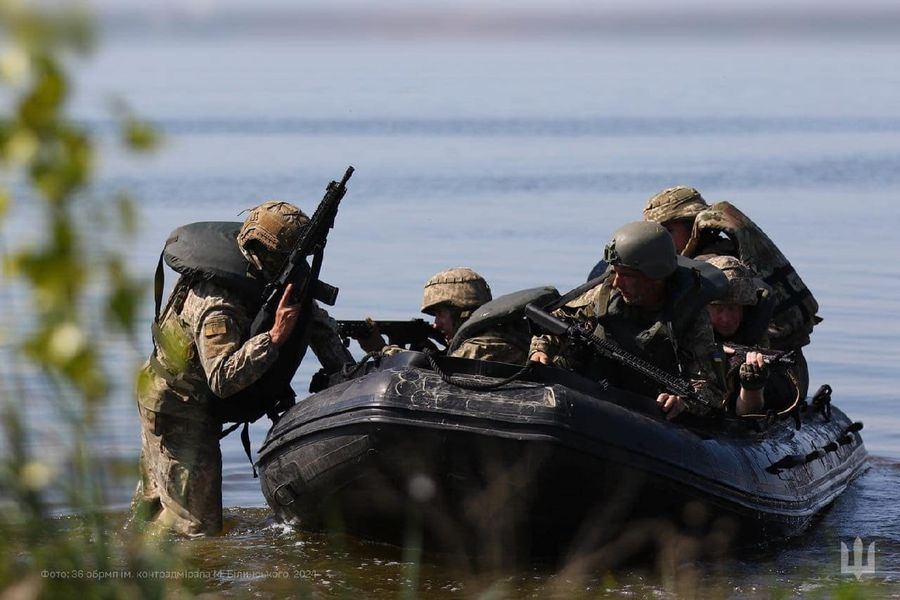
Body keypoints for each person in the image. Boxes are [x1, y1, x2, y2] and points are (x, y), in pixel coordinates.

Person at [131, 201, 352, 537]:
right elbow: (222, 378)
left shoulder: (271, 278)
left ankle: (130, 556)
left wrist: (351, 372)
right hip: (177, 407)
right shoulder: (218, 304)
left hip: (171, 396)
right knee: (196, 530)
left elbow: (316, 325)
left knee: (156, 507)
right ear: (265, 251)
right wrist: (273, 338)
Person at [532, 222, 727, 420]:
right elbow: (556, 322)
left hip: (648, 414)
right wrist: (541, 350)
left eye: (626, 275)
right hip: (591, 397)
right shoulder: (604, 297)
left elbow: (711, 389)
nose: (617, 282)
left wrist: (683, 402)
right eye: (615, 272)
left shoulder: (689, 316)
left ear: (655, 276)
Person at [702, 255, 804, 414]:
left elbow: (748, 414)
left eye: (733, 308)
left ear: (745, 308)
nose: (726, 319)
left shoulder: (757, 340)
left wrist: (752, 385)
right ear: (704, 309)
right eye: (718, 309)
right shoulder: (689, 334)